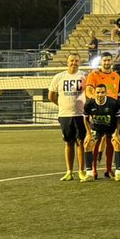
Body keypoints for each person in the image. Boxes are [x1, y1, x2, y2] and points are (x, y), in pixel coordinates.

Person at [48, 53, 88, 181]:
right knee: (68, 143)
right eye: (71, 60)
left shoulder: (84, 76)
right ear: (67, 62)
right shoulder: (59, 77)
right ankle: (69, 171)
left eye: (76, 61)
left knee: (81, 142)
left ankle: (82, 171)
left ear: (80, 62)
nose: (73, 63)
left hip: (80, 115)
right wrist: (61, 105)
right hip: (65, 115)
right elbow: (51, 96)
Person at [83, 52, 120, 178]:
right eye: (104, 60)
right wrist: (97, 102)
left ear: (112, 61)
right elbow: (88, 91)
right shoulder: (94, 74)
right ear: (101, 62)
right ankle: (93, 170)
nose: (106, 63)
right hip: (97, 112)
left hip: (111, 113)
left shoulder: (116, 76)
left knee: (112, 142)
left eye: (108, 60)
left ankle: (109, 169)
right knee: (94, 141)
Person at [81, 83, 119, 182]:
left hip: (110, 127)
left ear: (106, 93)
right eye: (98, 92)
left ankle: (109, 170)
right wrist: (89, 134)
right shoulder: (89, 103)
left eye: (102, 92)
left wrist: (117, 132)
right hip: (96, 128)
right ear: (94, 93)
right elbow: (85, 119)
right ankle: (92, 171)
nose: (100, 95)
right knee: (90, 144)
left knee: (113, 144)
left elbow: (119, 119)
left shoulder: (113, 103)